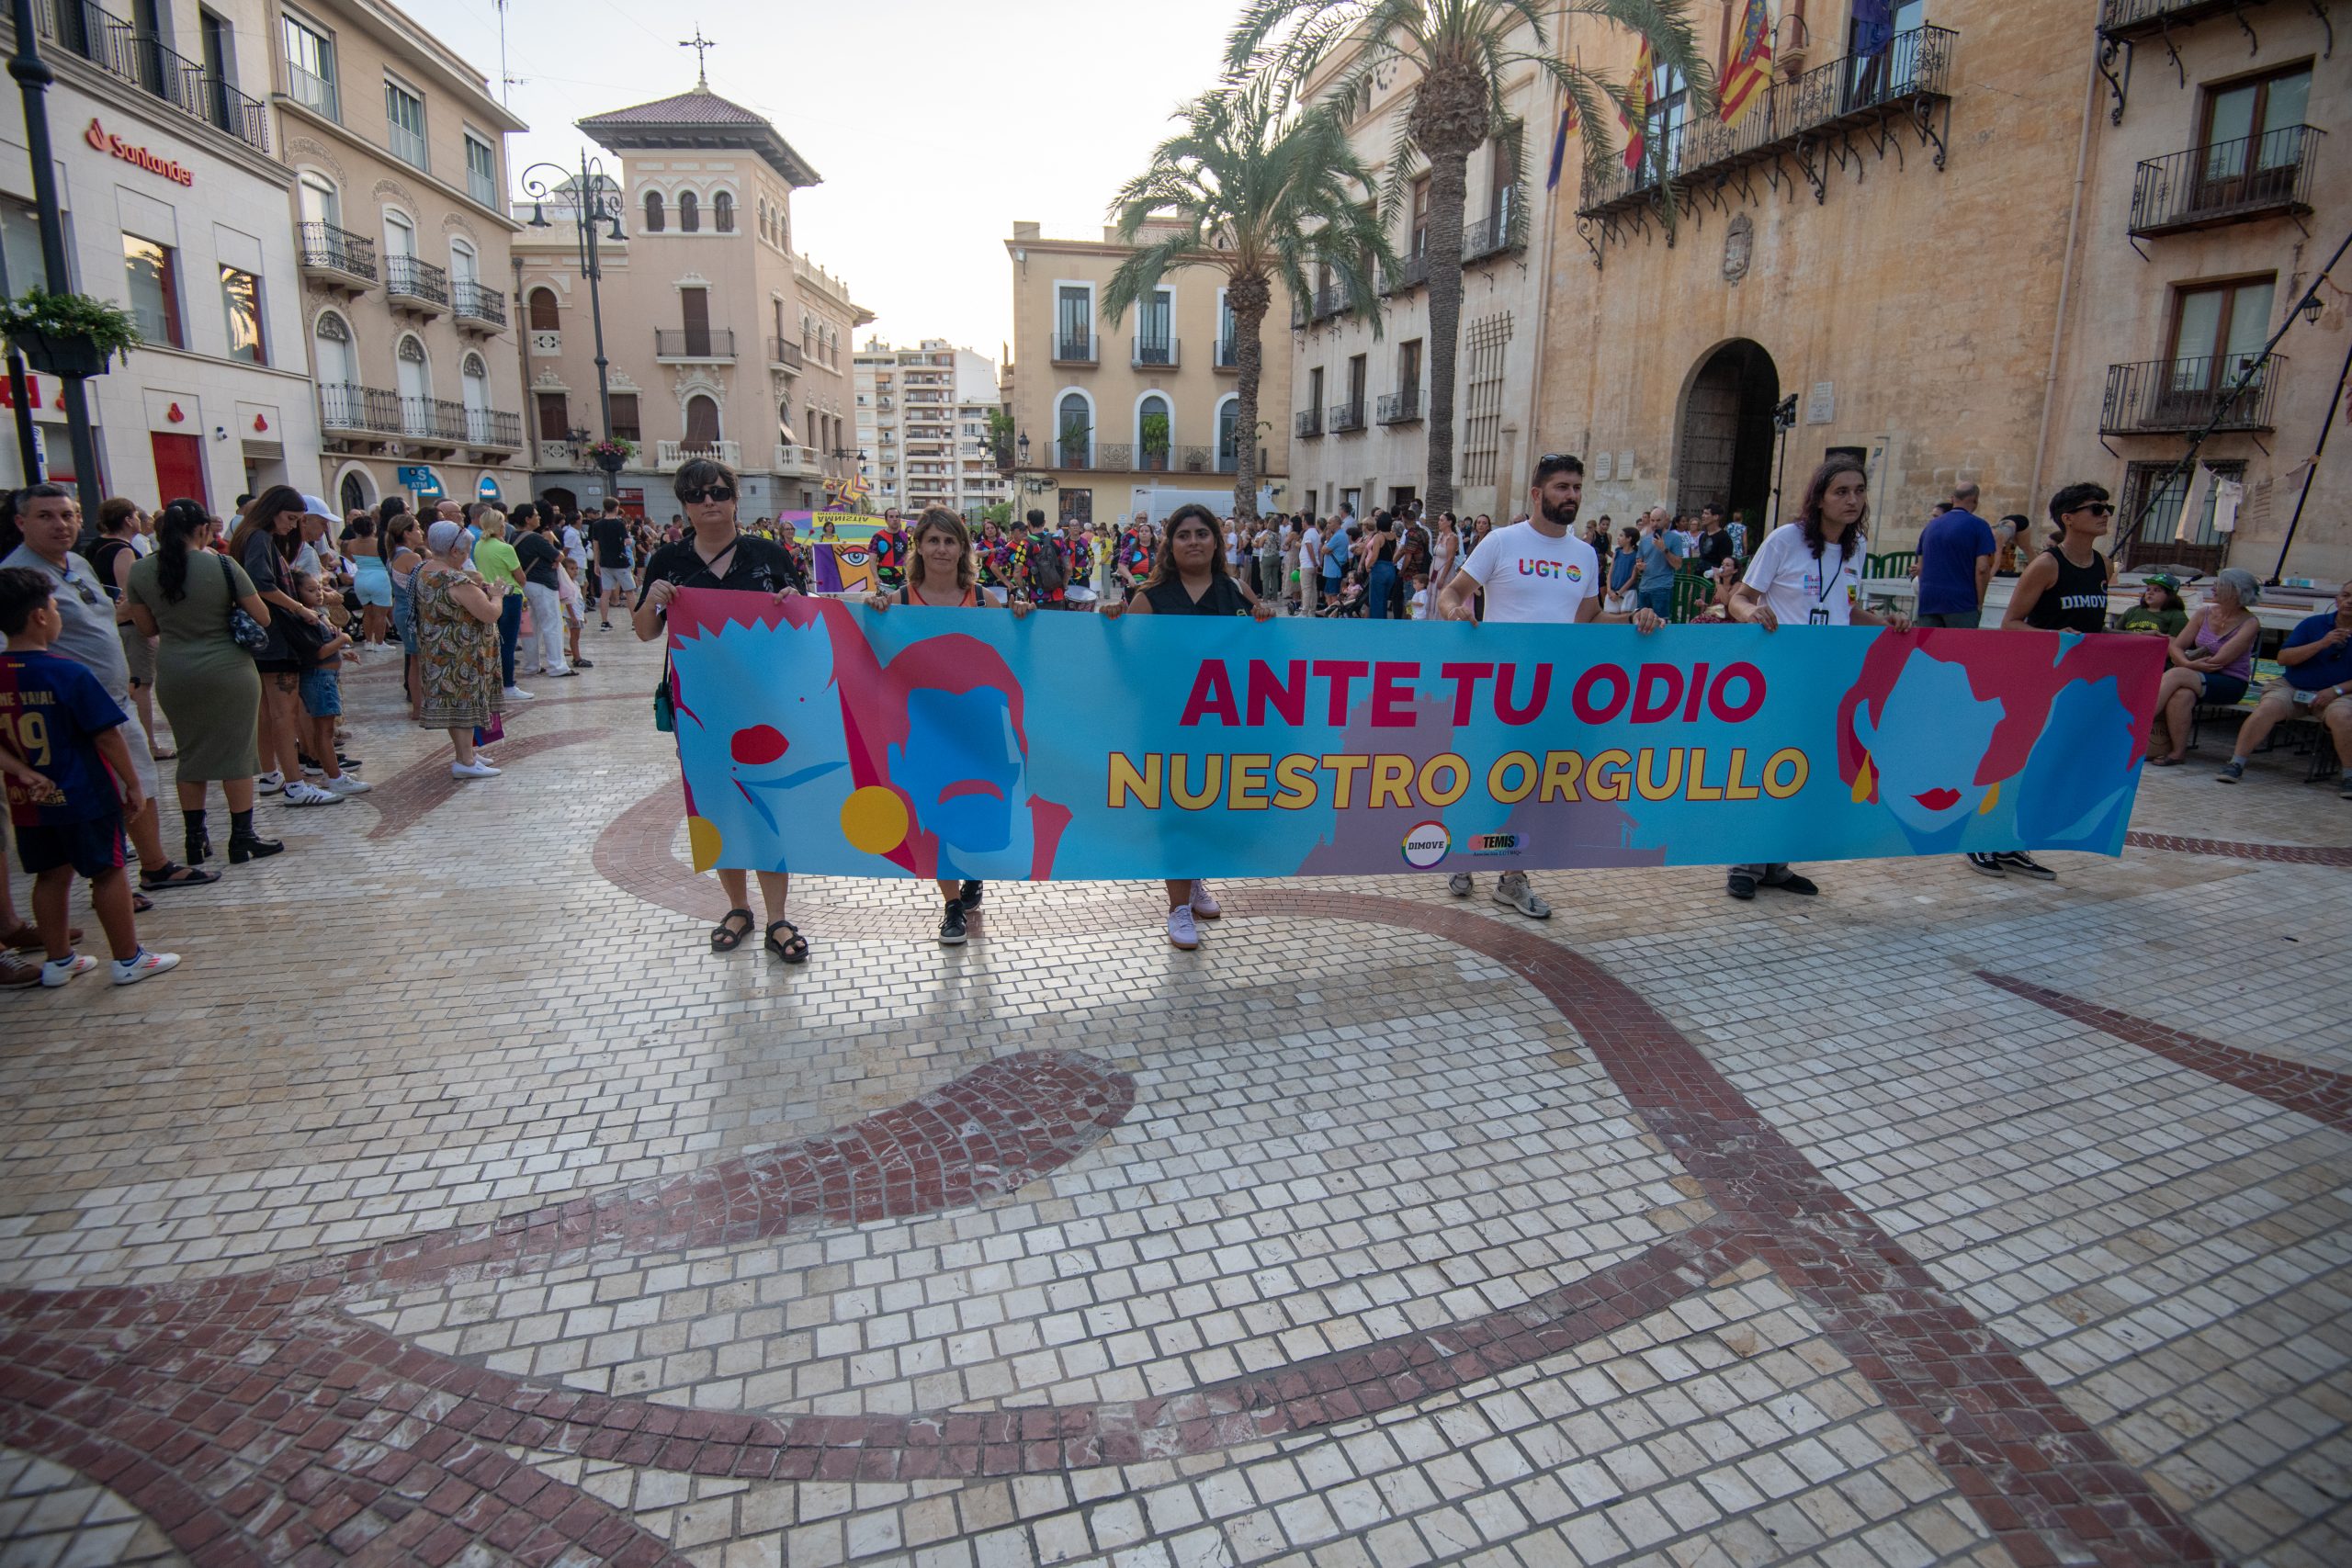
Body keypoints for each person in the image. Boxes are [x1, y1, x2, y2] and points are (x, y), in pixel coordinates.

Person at [1436, 454, 1663, 918]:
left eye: (1577, 488)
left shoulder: (1584, 555)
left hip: (1556, 693)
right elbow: (1452, 592)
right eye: (1562, 487)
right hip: (1498, 690)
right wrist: (1456, 614)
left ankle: (1512, 877)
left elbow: (1590, 619)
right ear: (1538, 494)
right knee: (1484, 778)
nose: (1572, 496)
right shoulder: (1500, 542)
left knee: (1532, 786)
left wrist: (1634, 618)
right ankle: (1464, 853)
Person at [634, 457, 809, 964]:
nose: (707, 502)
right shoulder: (667, 561)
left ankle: (778, 916)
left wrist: (793, 602)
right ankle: (737, 907)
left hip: (765, 704)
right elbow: (646, 631)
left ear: (734, 498)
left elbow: (802, 628)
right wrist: (655, 601)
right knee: (716, 806)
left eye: (716, 492)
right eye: (696, 496)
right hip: (701, 710)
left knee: (767, 806)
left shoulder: (768, 555)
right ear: (685, 506)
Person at [4, 483, 221, 886]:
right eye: (45, 516)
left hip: (112, 698)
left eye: (67, 515)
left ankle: (154, 866)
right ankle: (109, 880)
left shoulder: (76, 563)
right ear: (21, 522)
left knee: (138, 782)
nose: (60, 525)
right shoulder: (19, 576)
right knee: (97, 798)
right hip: (70, 712)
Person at [1724, 456, 1910, 901]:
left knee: (1804, 769)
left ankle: (1778, 864)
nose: (1852, 500)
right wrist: (1752, 612)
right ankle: (1744, 863)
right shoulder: (1786, 540)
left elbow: (1844, 611)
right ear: (1820, 498)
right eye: (1841, 492)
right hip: (1782, 676)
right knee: (1766, 766)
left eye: (1859, 491)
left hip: (1830, 678)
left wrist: (1883, 622)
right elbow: (1739, 597)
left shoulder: (1856, 548)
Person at [1100, 503, 1270, 950]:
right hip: (1165, 724)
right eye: (1183, 535)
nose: (1193, 542)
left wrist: (1267, 623)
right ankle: (1177, 906)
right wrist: (1113, 630)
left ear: (1216, 541)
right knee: (1176, 810)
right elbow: (1129, 669)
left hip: (1220, 724)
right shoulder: (1150, 597)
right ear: (1169, 546)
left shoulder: (1237, 592)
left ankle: (1194, 883)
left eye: (1202, 533)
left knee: (1209, 804)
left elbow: (1266, 655)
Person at [0, 567, 179, 985]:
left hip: (31, 800)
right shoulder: (69, 672)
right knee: (108, 871)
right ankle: (128, 957)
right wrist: (133, 782)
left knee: (50, 874)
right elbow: (107, 735)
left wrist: (22, 773)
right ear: (41, 616)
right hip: (83, 791)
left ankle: (59, 961)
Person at [863, 507, 1033, 944]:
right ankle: (951, 905)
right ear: (918, 546)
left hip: (977, 727)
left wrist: (1021, 618)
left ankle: (972, 871)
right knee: (937, 813)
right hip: (928, 730)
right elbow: (873, 651)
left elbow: (1010, 655)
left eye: (950, 541)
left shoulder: (981, 600)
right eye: (933, 540)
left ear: (963, 548)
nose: (942, 549)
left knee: (975, 803)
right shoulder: (900, 600)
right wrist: (874, 612)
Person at [122, 499, 280, 869]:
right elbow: (263, 617)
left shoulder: (141, 572)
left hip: (176, 670)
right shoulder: (223, 565)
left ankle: (196, 840)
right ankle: (242, 838)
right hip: (229, 669)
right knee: (237, 754)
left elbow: (147, 629)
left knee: (190, 755)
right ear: (203, 530)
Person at [227, 488, 336, 807]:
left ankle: (271, 773)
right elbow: (262, 584)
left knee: (266, 712)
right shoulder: (260, 537)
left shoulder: (249, 536)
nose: (292, 526)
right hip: (276, 637)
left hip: (263, 638)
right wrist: (301, 609)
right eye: (290, 519)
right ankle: (294, 782)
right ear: (274, 511)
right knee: (283, 712)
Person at [2216, 580, 2352, 795]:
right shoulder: (2313, 625)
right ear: (2337, 599)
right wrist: (2321, 644)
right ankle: (2236, 764)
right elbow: (2283, 658)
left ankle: (2349, 776)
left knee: (2343, 716)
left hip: (2338, 693)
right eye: (2345, 595)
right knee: (2267, 708)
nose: (2349, 601)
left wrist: (2335, 691)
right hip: (2294, 686)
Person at [414, 520, 504, 781]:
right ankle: (465, 760)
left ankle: (465, 754)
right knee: (464, 704)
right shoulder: (453, 578)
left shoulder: (424, 570)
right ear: (455, 551)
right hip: (461, 654)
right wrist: (497, 594)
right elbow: (489, 614)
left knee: (456, 706)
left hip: (439, 650)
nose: (467, 558)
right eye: (466, 552)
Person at [2148, 567, 2263, 768]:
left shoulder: (2250, 623)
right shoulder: (2204, 613)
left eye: (2220, 584)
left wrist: (2185, 666)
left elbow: (2219, 661)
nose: (2214, 587)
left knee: (2176, 675)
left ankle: (2135, 726)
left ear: (2235, 591)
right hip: (2195, 672)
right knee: (2181, 695)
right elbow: (2176, 646)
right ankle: (2177, 753)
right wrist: (2187, 663)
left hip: (2230, 681)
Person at [89, 499, 169, 761]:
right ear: (127, 519)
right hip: (129, 628)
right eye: (136, 515)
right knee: (140, 686)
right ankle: (148, 745)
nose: (139, 519)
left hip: (108, 626)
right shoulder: (123, 550)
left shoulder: (94, 546)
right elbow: (130, 595)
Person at [1914, 481, 1998, 628]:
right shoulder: (1979, 526)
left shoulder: (1930, 527)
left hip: (1929, 601)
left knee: (1928, 649)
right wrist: (1980, 602)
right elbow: (1982, 568)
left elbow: (1920, 567)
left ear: (1953, 499)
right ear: (1975, 500)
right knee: (1960, 650)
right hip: (1961, 603)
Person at [470, 508, 529, 701]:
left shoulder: (479, 545)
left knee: (493, 641)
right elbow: (520, 577)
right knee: (508, 642)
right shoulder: (505, 548)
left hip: (488, 596)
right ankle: (508, 684)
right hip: (509, 596)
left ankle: (495, 681)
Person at [512, 507, 573, 680]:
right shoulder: (536, 538)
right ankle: (557, 666)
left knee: (529, 628)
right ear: (527, 519)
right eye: (536, 515)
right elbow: (558, 556)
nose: (538, 518)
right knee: (551, 624)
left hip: (524, 584)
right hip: (543, 584)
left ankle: (532, 665)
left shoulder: (513, 537)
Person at [345, 514, 392, 649]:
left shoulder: (351, 543)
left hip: (360, 578)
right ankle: (379, 643)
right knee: (380, 614)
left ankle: (368, 642)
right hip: (379, 578)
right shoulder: (380, 542)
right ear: (373, 528)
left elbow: (352, 560)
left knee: (367, 612)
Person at [1009, 509, 1069, 609]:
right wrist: (1064, 585)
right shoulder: (1058, 540)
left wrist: (1024, 591)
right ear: (1044, 522)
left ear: (1028, 523)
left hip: (1036, 596)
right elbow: (1069, 567)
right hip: (1057, 595)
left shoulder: (1024, 544)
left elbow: (1017, 574)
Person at [592, 501, 634, 628]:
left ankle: (604, 622)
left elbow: (596, 545)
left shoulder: (597, 524)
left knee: (606, 591)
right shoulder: (619, 524)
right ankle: (635, 621)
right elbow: (627, 541)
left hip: (605, 562)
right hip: (620, 562)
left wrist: (596, 563)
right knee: (629, 591)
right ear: (616, 508)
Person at [1634, 513, 1679, 620]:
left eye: (1658, 520)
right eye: (1652, 520)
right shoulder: (1644, 540)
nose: (1655, 524)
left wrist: (1664, 549)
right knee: (1640, 622)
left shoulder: (1675, 539)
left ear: (1665, 520)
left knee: (1660, 623)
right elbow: (1639, 563)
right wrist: (1640, 567)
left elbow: (1677, 565)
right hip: (1644, 587)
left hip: (1662, 588)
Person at [2118, 574, 2188, 637]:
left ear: (2170, 595)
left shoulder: (2177, 616)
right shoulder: (2132, 611)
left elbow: (2173, 644)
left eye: (2157, 590)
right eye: (2148, 589)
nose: (2150, 593)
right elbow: (2114, 634)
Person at [1363, 534, 1404, 619]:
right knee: (1389, 599)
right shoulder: (1394, 537)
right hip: (1392, 570)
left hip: (1381, 569)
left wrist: (1368, 566)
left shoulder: (1379, 537)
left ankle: (1410, 621)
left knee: (1377, 600)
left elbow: (1375, 556)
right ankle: (1410, 620)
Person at [1297, 516, 1324, 616]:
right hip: (1313, 564)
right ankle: (1312, 611)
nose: (1302, 523)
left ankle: (1304, 612)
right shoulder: (1316, 533)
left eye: (1303, 521)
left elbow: (1309, 548)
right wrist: (1319, 563)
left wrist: (1314, 562)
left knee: (1306, 589)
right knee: (1313, 588)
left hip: (1308, 564)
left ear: (1306, 522)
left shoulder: (1307, 533)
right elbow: (1320, 548)